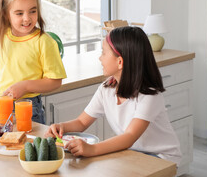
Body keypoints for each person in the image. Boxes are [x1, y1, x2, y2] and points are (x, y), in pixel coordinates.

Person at [45, 26, 181, 166]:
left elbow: (130, 136)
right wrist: (61, 127)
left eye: (103, 53)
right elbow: (81, 123)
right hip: (131, 152)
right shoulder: (106, 89)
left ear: (120, 62)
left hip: (161, 157)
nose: (100, 58)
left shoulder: (149, 95)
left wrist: (91, 149)